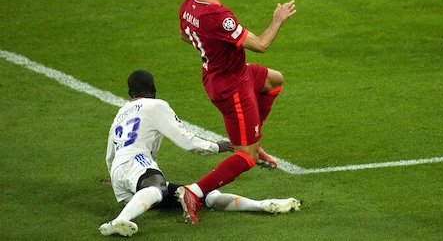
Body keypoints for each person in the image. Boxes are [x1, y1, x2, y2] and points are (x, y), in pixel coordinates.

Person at [100, 70, 300, 237]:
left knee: (201, 195)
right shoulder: (157, 105)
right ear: (154, 89)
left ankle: (261, 205)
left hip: (120, 171)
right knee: (157, 187)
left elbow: (110, 153)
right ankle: (120, 221)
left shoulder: (121, 112)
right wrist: (216, 147)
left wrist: (114, 176)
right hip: (138, 163)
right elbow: (186, 141)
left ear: (129, 92)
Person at [177, 0, 296, 224]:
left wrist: (213, 46)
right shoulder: (218, 15)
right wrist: (277, 19)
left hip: (224, 74)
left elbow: (186, 36)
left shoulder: (188, 6)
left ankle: (252, 137)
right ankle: (193, 192)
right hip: (231, 86)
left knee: (273, 81)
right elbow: (262, 45)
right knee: (247, 156)